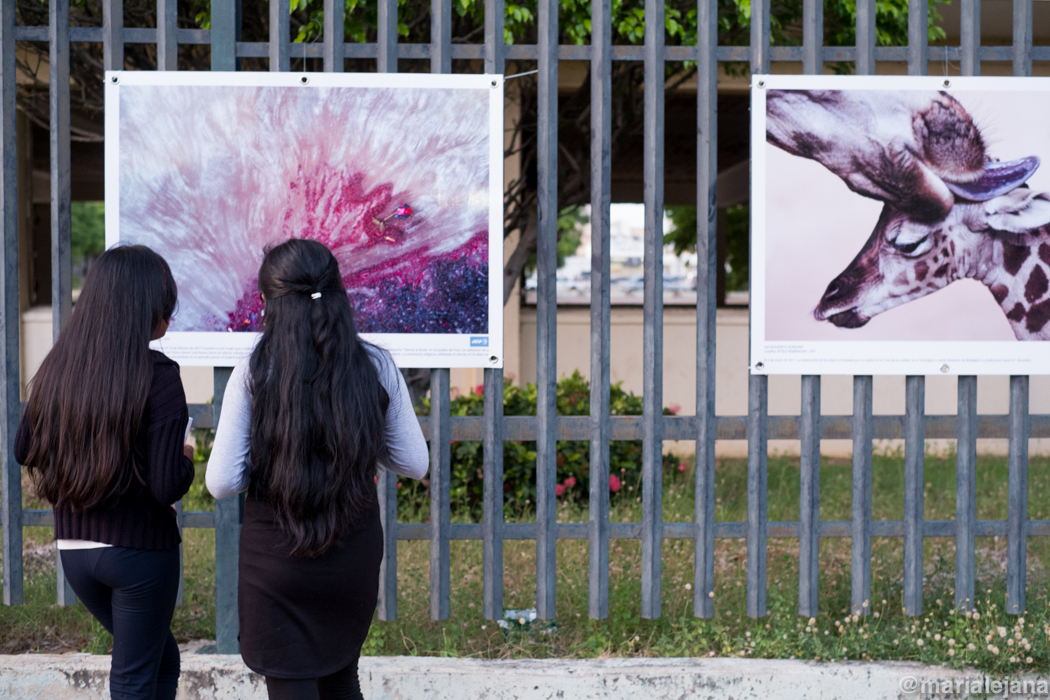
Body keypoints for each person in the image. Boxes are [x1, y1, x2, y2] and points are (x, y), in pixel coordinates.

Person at [206, 239, 428, 700]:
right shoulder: (375, 364)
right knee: (341, 679)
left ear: (266, 302)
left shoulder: (254, 371)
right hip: (351, 558)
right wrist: (355, 442)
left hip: (277, 560)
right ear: (339, 292)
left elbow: (222, 481)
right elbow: (414, 462)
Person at [15, 245, 195, 700]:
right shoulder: (159, 373)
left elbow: (24, 448)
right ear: (146, 311)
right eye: (165, 308)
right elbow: (166, 485)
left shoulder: (61, 364)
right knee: (134, 678)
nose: (168, 320)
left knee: (162, 659)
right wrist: (187, 454)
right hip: (139, 553)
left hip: (76, 551)